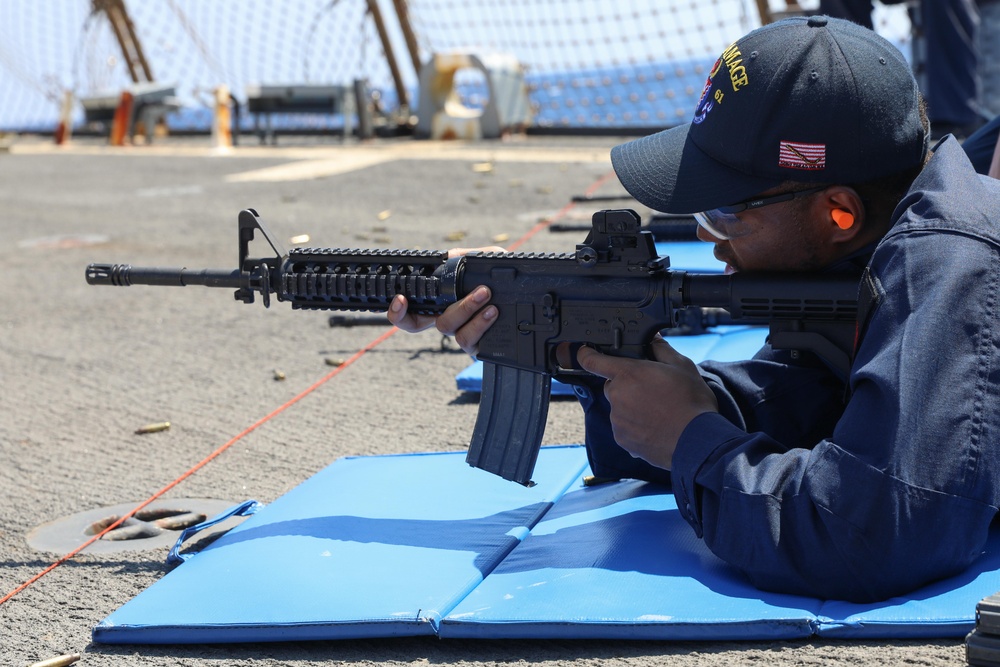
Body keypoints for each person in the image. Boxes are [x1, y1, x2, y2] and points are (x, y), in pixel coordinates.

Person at [389, 16, 1000, 603]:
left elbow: (870, 532)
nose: (709, 238)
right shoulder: (868, 247)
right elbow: (801, 406)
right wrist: (582, 352)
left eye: (725, 213)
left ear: (839, 212)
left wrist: (691, 439)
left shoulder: (945, 265)